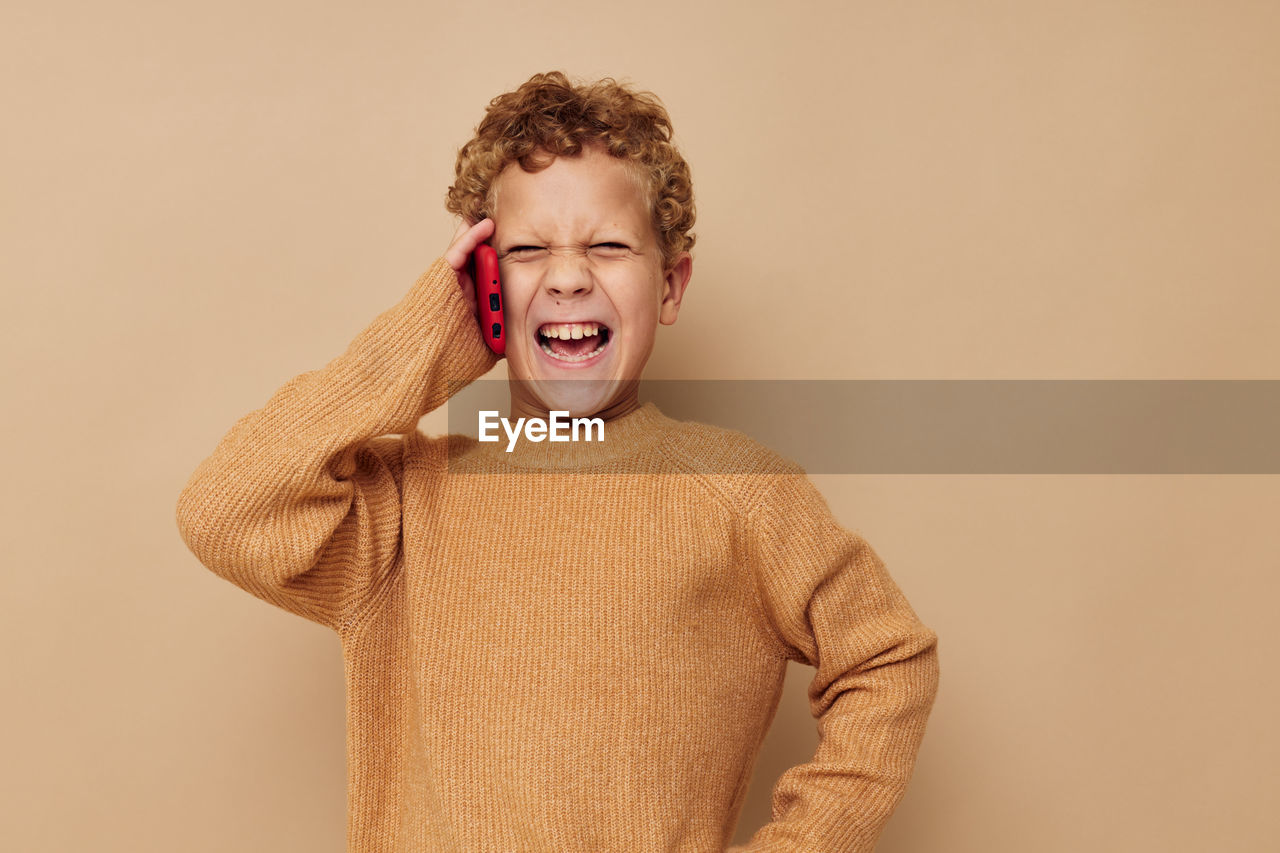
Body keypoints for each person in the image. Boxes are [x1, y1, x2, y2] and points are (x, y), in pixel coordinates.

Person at [175, 69, 939, 853]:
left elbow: (889, 657)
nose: (569, 276)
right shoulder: (410, 506)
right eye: (528, 251)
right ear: (482, 288)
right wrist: (428, 337)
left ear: (670, 285)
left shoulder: (742, 492)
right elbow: (225, 511)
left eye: (608, 246)